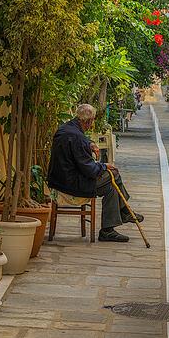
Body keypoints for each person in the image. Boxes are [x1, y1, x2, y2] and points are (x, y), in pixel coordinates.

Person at [47, 104, 144, 243]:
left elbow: (80, 144)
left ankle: (110, 228)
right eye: (92, 121)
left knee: (111, 188)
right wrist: (104, 166)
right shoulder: (76, 137)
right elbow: (90, 169)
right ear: (87, 121)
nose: (92, 125)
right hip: (70, 183)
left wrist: (90, 143)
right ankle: (123, 214)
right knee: (114, 174)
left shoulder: (67, 128)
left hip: (59, 179)